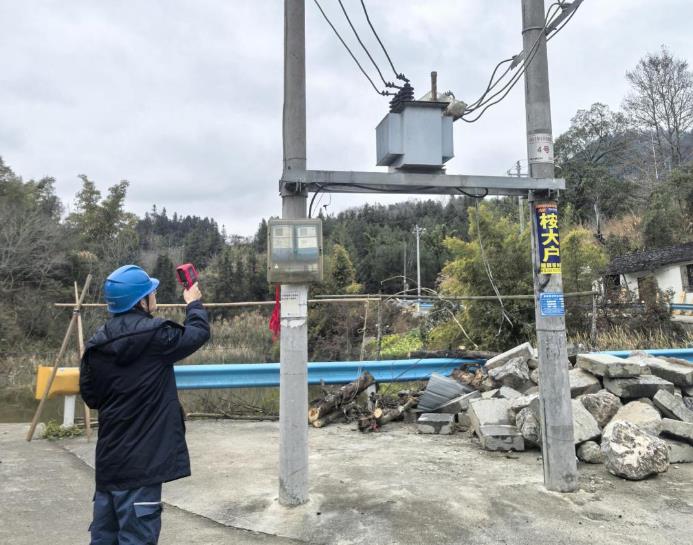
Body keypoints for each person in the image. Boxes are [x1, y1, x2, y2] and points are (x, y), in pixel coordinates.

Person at [79, 264, 210, 545]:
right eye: (151, 292)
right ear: (141, 301)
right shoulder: (156, 336)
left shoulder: (96, 343)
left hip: (109, 464)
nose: (155, 297)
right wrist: (194, 303)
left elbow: (91, 397)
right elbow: (197, 333)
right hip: (143, 465)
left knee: (104, 539)